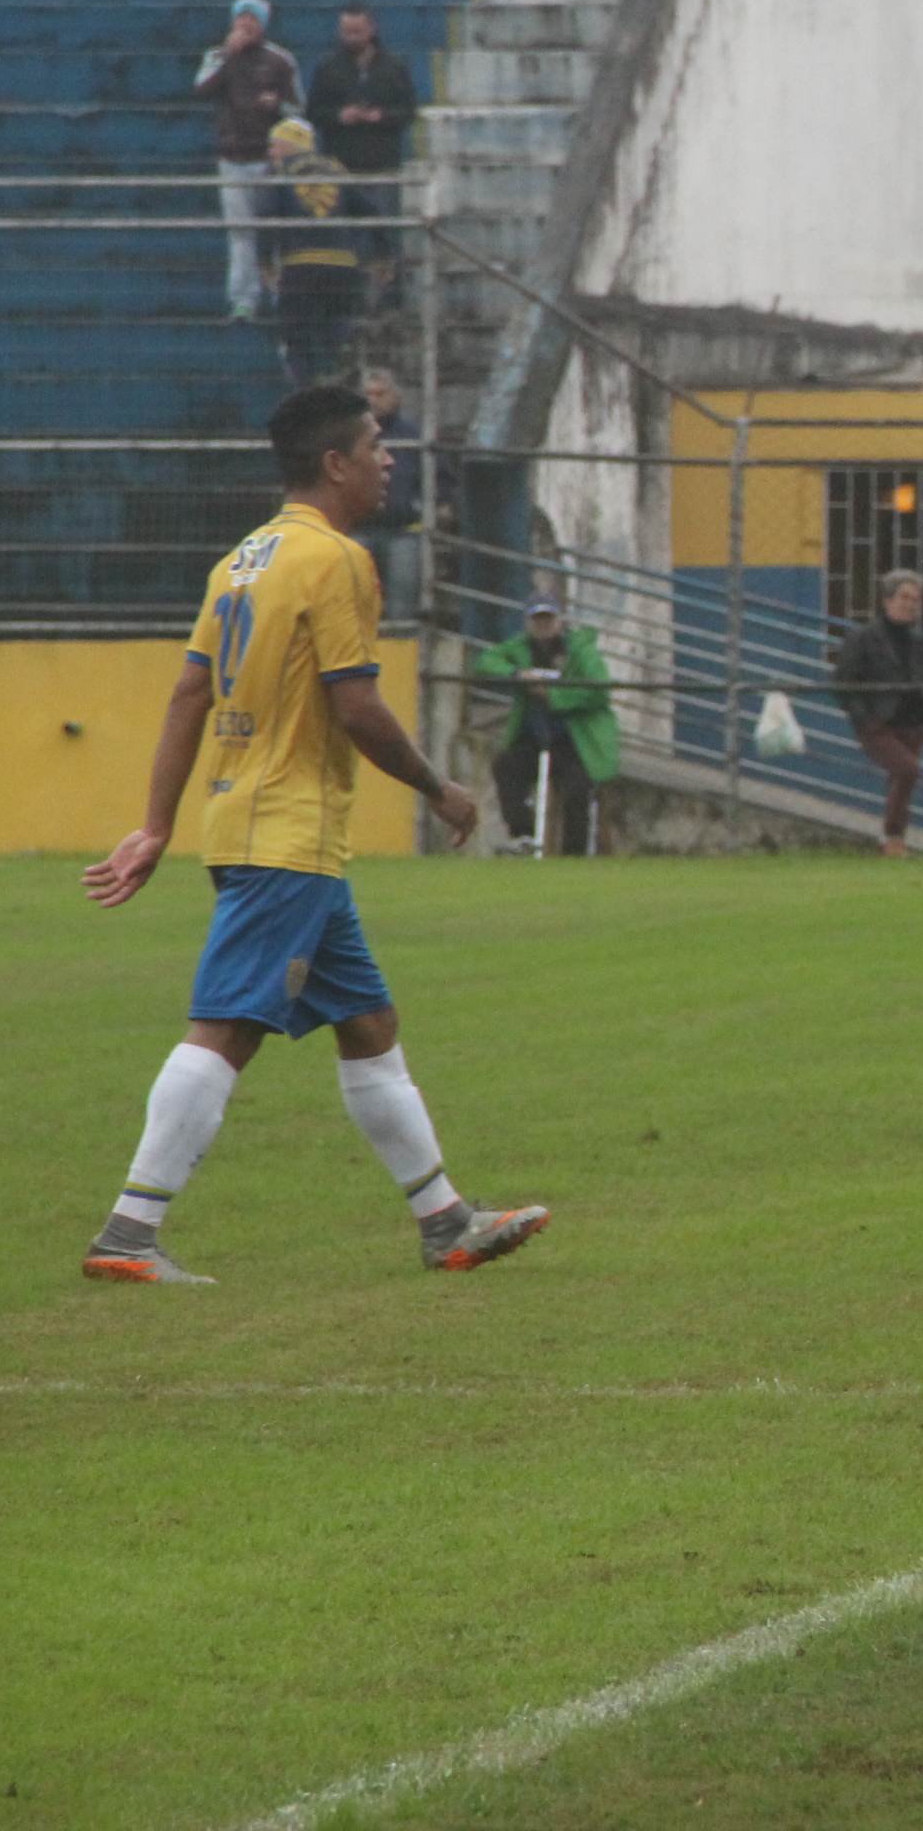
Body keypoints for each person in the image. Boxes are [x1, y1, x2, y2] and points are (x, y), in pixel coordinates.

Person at [75, 384, 546, 1285]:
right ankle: (129, 1234)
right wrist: (440, 789)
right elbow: (357, 704)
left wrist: (158, 825)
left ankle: (446, 1220)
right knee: (228, 1028)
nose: (390, 458)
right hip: (285, 835)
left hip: (259, 829)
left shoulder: (244, 560)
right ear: (336, 464)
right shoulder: (336, 561)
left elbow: (188, 694)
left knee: (369, 1024)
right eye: (378, 445)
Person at [475, 594, 619, 857]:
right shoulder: (521, 647)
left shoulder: (580, 650)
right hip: (536, 737)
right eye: (537, 619)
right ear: (527, 622)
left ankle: (573, 855)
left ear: (559, 620)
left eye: (548, 619)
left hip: (576, 741)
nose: (543, 625)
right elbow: (486, 661)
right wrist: (518, 675)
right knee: (505, 766)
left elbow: (599, 691)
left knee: (577, 790)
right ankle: (523, 837)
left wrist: (552, 696)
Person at [195, 0, 301, 322]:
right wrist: (228, 55)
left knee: (274, 229)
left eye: (251, 20)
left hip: (268, 159)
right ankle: (243, 299)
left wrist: (277, 104)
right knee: (240, 232)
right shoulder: (217, 56)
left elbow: (298, 109)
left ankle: (280, 295)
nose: (245, 25)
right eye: (240, 19)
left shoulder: (281, 61)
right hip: (231, 157)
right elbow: (202, 89)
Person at [254, 116, 379, 386]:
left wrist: (264, 259)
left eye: (274, 144)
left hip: (300, 263)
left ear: (287, 145)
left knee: (298, 337)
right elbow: (371, 209)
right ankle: (347, 391)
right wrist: (383, 255)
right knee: (340, 335)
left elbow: (265, 213)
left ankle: (306, 398)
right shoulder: (335, 168)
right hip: (344, 265)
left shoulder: (277, 169)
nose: (270, 151)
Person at [833, 569, 923, 856]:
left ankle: (891, 843)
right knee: (908, 771)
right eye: (904, 597)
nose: (910, 604)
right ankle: (893, 836)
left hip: (915, 723)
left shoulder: (922, 641)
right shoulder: (863, 638)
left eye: (916, 599)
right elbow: (843, 682)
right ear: (887, 601)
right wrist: (865, 721)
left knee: (901, 782)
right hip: (879, 724)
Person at [306, 1, 419, 185]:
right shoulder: (327, 67)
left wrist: (382, 116)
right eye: (346, 32)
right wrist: (340, 116)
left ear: (372, 29)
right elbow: (313, 112)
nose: (351, 38)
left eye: (357, 32)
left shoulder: (394, 66)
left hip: (384, 164)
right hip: (339, 165)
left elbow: (408, 110)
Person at [353, 369, 430, 624]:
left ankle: (399, 656)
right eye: (368, 394)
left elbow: (440, 479)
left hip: (402, 529)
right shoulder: (350, 435)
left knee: (401, 602)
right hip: (358, 528)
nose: (374, 400)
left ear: (395, 397)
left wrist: (426, 506)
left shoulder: (413, 435)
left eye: (380, 394)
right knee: (355, 598)